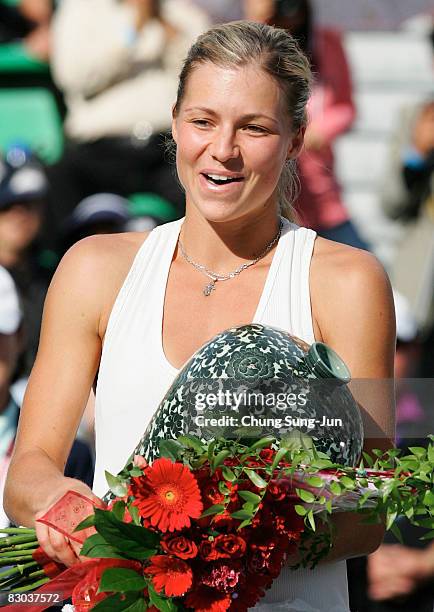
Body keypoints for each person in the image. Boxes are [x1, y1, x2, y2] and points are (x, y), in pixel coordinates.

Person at [4, 21, 395, 610]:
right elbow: (28, 471)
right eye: (203, 121)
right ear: (175, 123)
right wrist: (65, 504)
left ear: (295, 139)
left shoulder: (347, 281)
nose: (223, 149)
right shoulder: (95, 268)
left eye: (255, 127)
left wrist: (220, 540)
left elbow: (369, 510)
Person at [244, 0, 369, 250]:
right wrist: (257, 20)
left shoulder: (327, 43)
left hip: (319, 182)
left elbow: (346, 106)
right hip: (269, 182)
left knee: (353, 256)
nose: (289, 14)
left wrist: (318, 131)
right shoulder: (257, 44)